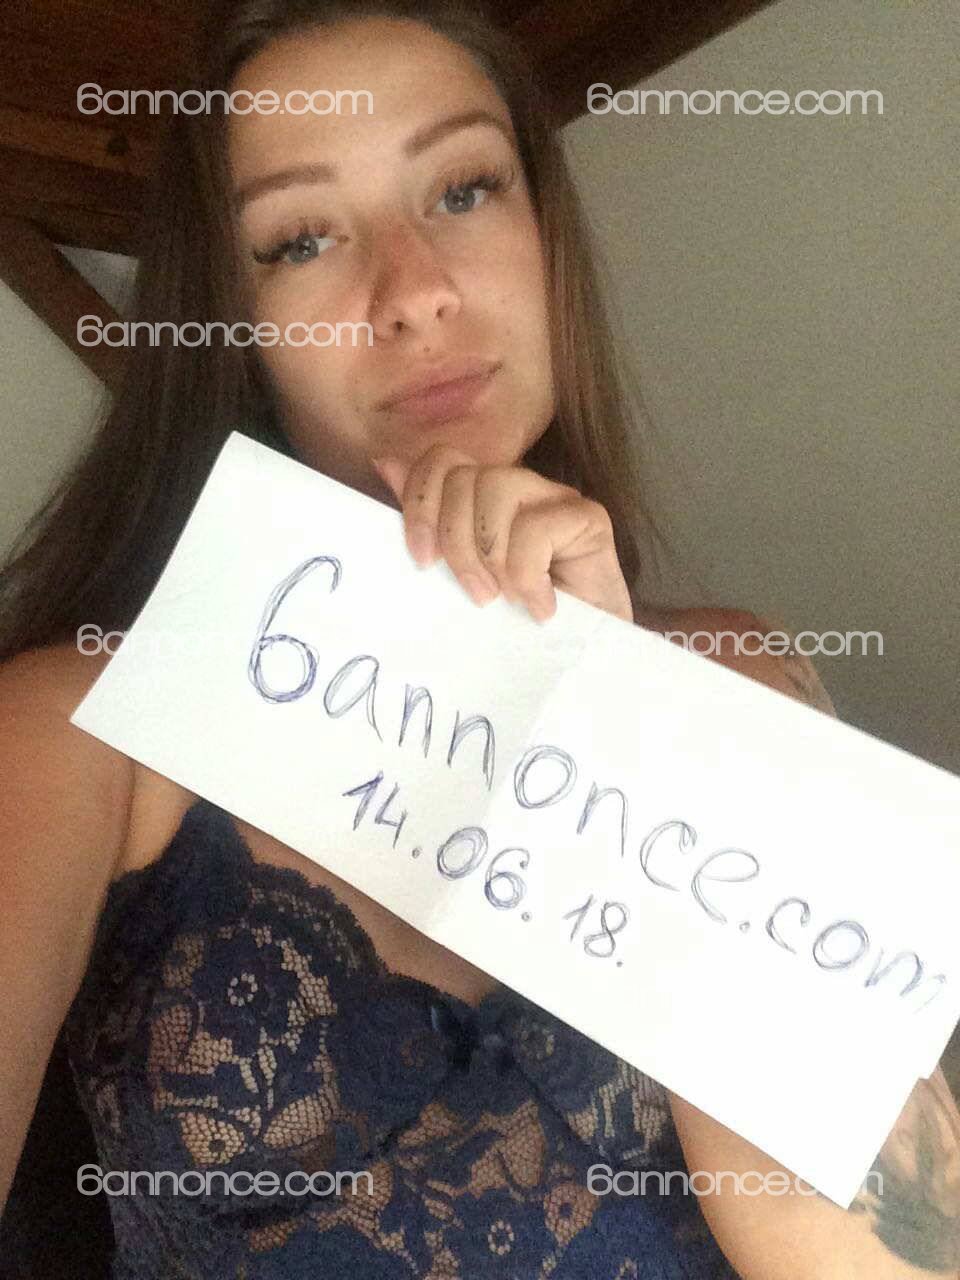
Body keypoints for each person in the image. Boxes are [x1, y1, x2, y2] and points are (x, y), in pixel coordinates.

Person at [1, 1, 957, 1276]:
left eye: (463, 189)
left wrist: (636, 716)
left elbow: (888, 1253)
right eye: (300, 239)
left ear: (545, 232)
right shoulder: (86, 720)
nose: (415, 291)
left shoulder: (738, 671)